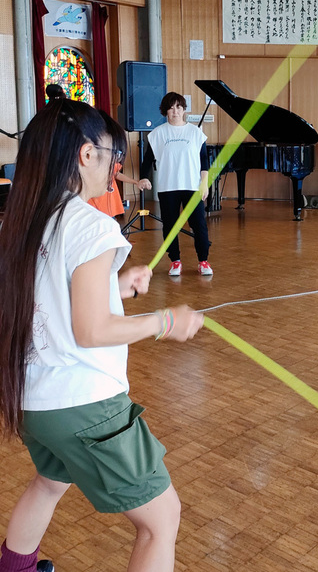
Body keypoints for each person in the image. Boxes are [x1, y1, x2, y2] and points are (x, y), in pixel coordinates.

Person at [0, 100, 204, 572]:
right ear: (85, 155)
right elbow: (92, 331)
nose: (116, 166)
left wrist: (116, 287)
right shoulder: (91, 224)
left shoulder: (24, 218)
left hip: (36, 401)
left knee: (50, 482)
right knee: (161, 519)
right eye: (113, 155)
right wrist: (165, 323)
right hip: (84, 403)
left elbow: (48, 299)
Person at [139, 92, 213, 277]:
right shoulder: (158, 134)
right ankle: (175, 261)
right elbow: (147, 160)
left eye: (178, 107)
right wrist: (143, 177)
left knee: (199, 226)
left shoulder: (195, 133)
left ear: (183, 109)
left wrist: (205, 184)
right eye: (171, 108)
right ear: (165, 111)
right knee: (170, 226)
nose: (175, 111)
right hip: (167, 187)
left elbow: (204, 161)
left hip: (192, 187)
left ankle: (203, 261)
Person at [89, 112, 152, 217]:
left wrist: (136, 182)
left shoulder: (111, 159)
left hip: (109, 201)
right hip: (94, 204)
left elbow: (116, 174)